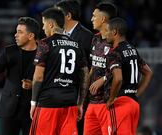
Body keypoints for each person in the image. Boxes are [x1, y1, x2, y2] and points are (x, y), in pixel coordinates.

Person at [29, 8, 89, 135]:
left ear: (51, 24)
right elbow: (85, 75)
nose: (43, 28)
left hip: (48, 103)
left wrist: (33, 102)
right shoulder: (77, 45)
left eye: (44, 24)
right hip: (70, 102)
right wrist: (80, 103)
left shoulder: (45, 44)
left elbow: (38, 77)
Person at [0, 17, 40, 135]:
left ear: (31, 36)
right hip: (9, 108)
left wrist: (34, 85)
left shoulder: (43, 52)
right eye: (16, 31)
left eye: (20, 32)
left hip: (33, 110)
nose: (15, 35)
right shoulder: (9, 51)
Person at [101, 17, 152, 135]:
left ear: (114, 32)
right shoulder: (132, 50)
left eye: (107, 30)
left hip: (120, 105)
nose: (105, 34)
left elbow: (118, 78)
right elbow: (148, 72)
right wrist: (135, 94)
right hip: (133, 104)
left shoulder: (114, 53)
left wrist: (111, 99)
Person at [55, 1, 93, 134]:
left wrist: (82, 99)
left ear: (68, 15)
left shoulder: (87, 37)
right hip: (60, 94)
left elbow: (91, 68)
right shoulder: (56, 35)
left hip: (78, 97)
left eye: (57, 13)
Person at [84, 2, 117, 135]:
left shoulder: (115, 41)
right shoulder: (95, 39)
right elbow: (94, 66)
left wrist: (103, 79)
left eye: (94, 16)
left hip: (107, 103)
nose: (91, 19)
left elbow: (122, 71)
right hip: (92, 102)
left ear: (103, 19)